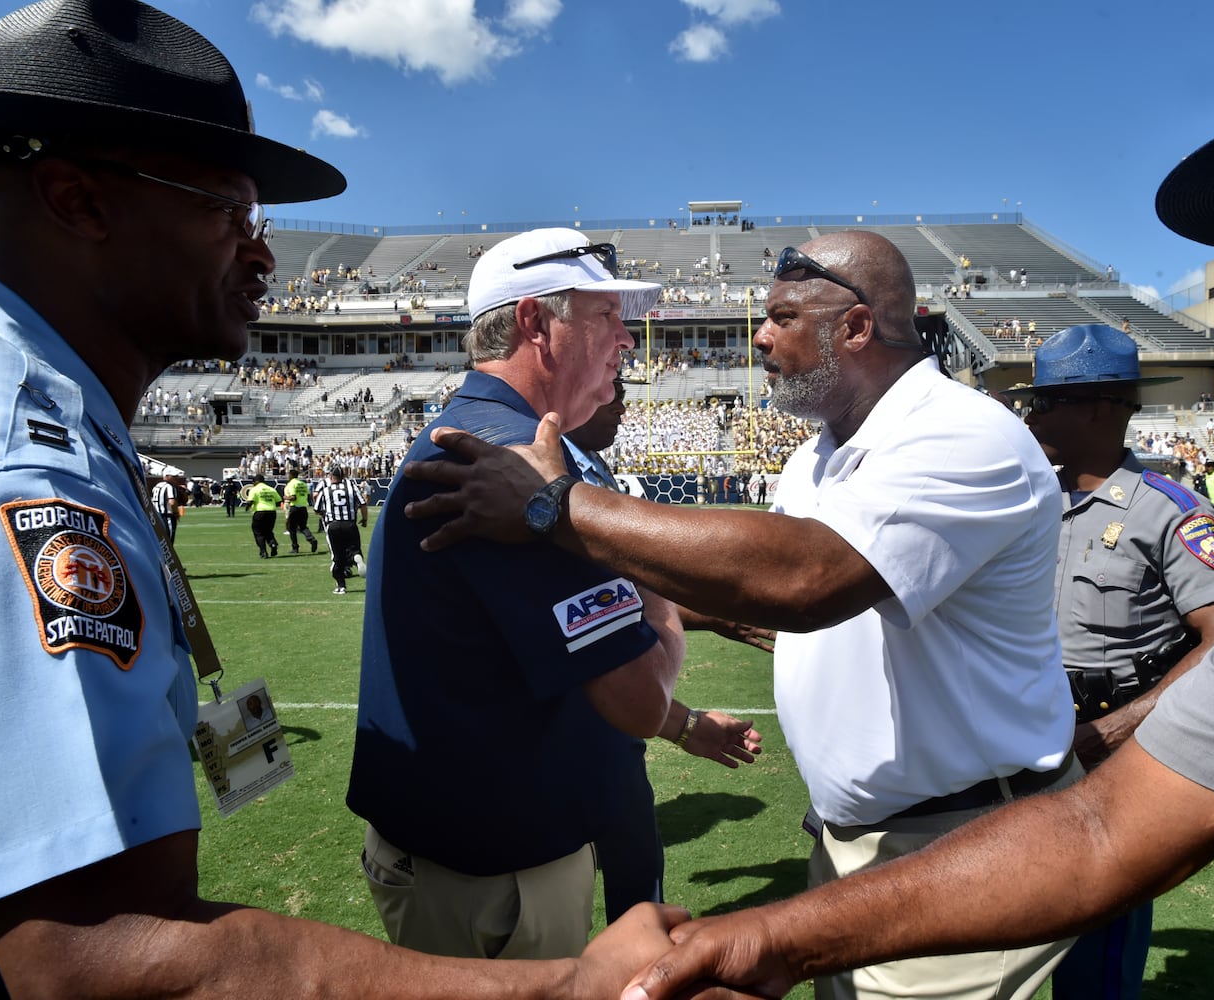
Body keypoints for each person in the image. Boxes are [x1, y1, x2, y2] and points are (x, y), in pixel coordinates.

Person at [610, 2, 1214, 997]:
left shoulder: (1020, 458)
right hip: (953, 835)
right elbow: (1098, 828)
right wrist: (776, 936)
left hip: (970, 812)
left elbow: (815, 581)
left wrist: (557, 509)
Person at [0, 4, 678, 997]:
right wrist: (558, 985)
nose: (263, 256)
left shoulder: (9, 387)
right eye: (228, 213)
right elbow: (88, 954)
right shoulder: (24, 466)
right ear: (77, 199)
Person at [402, 230, 1081, 1000]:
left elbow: (804, 578)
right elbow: (760, 592)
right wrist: (678, 619)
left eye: (783, 317)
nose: (759, 335)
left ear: (856, 328)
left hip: (957, 843)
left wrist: (558, 508)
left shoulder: (962, 432)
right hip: (864, 840)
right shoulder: (816, 453)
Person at [346, 228, 691, 962]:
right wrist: (656, 601)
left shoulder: (506, 439)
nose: (626, 339)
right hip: (490, 877)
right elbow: (639, 701)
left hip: (488, 855)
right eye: (606, 316)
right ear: (537, 323)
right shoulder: (504, 460)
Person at [1007, 324, 1214, 1000]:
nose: (1031, 416)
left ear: (1099, 406)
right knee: (1019, 912)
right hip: (1029, 733)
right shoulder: (1031, 503)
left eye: (1045, 402)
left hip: (1117, 744)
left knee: (1099, 940)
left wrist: (1119, 729)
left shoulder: (1167, 511)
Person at [563, 377, 768, 918]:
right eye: (611, 387)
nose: (625, 403)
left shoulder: (585, 463)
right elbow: (604, 631)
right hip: (584, 740)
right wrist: (681, 721)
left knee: (637, 903)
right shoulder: (551, 471)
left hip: (613, 740)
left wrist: (712, 614)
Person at [313, 464, 369, 594]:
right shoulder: (351, 487)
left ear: (331, 477)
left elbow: (316, 509)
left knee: (337, 556)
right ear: (343, 477)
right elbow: (363, 504)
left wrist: (325, 515)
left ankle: (341, 586)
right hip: (350, 524)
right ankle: (356, 557)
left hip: (334, 525)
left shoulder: (326, 490)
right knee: (353, 549)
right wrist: (364, 519)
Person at [244, 472, 282, 558]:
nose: (253, 483)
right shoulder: (271, 489)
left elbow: (250, 501)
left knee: (258, 533)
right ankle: (273, 544)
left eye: (254, 482)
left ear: (257, 481)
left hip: (260, 512)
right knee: (268, 531)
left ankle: (263, 551)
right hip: (272, 512)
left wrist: (247, 508)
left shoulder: (254, 489)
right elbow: (279, 501)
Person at [283, 467, 319, 554]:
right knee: (303, 527)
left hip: (295, 507)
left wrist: (285, 497)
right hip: (303, 508)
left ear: (291, 475)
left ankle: (295, 547)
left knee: (292, 529)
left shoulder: (291, 484)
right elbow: (307, 495)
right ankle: (312, 539)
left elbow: (293, 497)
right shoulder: (302, 484)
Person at [150, 469, 182, 542]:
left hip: (156, 516)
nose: (176, 478)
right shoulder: (169, 487)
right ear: (167, 476)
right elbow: (172, 502)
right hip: (167, 517)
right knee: (168, 541)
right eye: (174, 476)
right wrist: (176, 513)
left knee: (159, 540)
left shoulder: (157, 486)